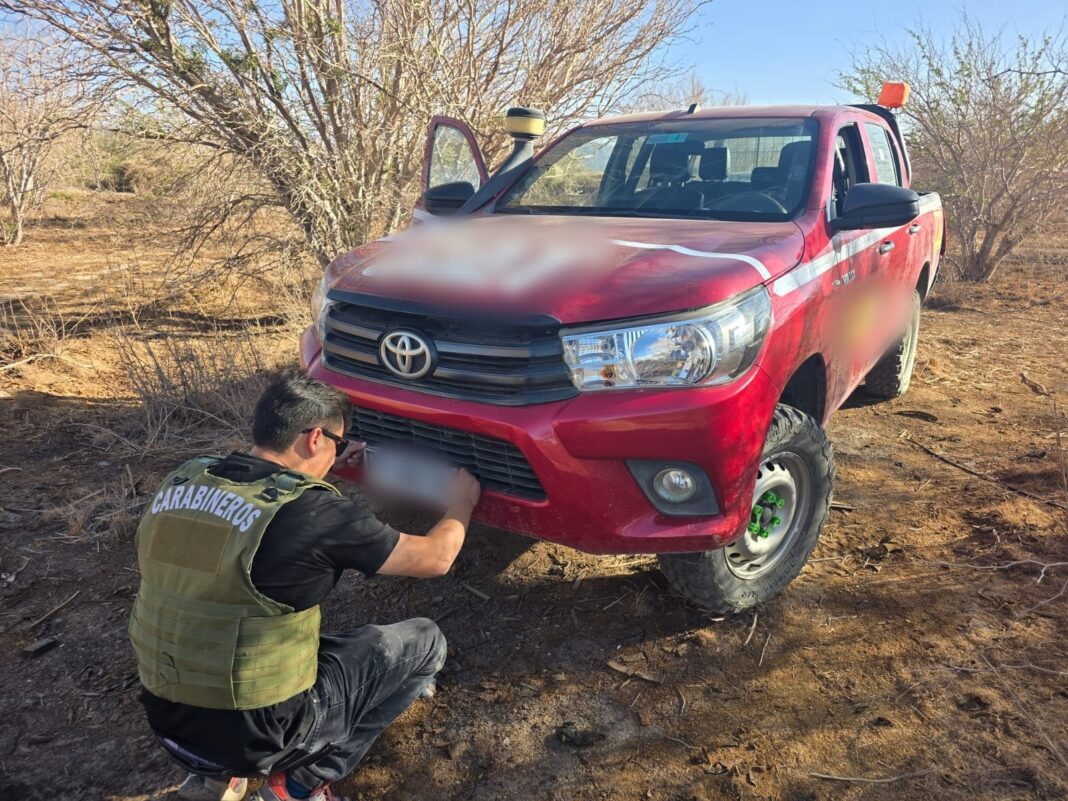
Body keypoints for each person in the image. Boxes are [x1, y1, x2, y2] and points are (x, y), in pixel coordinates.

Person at [128, 376, 481, 801]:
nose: (338, 447)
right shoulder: (317, 516)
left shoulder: (184, 481)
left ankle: (214, 776)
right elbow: (434, 558)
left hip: (168, 722)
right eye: (337, 440)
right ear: (316, 437)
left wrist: (327, 467)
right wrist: (462, 501)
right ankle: (299, 784)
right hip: (264, 735)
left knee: (233, 630)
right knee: (425, 641)